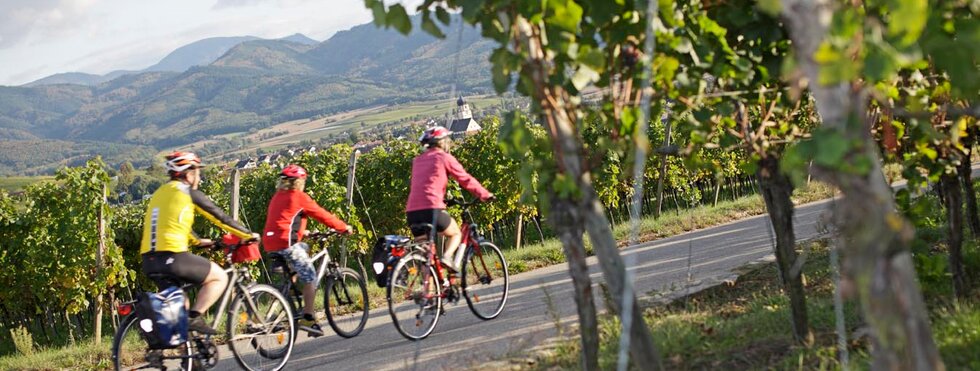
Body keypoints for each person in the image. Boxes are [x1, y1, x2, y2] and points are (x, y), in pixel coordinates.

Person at [140, 152, 258, 335]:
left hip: (149, 261)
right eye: (197, 172)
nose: (199, 177)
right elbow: (220, 217)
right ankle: (196, 317)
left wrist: (197, 241)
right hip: (173, 257)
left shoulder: (159, 194)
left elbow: (172, 223)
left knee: (181, 306)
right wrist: (247, 234)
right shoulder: (187, 192)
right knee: (220, 277)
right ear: (188, 173)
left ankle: (189, 358)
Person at [263, 164, 353, 336]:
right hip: (287, 243)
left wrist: (303, 232)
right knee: (311, 277)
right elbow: (322, 214)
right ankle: (309, 318)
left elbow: (283, 220)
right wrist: (343, 227)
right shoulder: (299, 197)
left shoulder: (277, 196)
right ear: (299, 182)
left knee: (304, 247)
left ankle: (291, 287)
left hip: (270, 242)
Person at [406, 126, 494, 273]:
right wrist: (484, 194)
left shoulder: (417, 161)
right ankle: (447, 257)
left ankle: (428, 293)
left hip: (412, 212)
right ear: (443, 142)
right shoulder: (444, 157)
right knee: (455, 234)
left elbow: (423, 184)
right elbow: (465, 179)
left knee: (426, 258)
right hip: (432, 209)